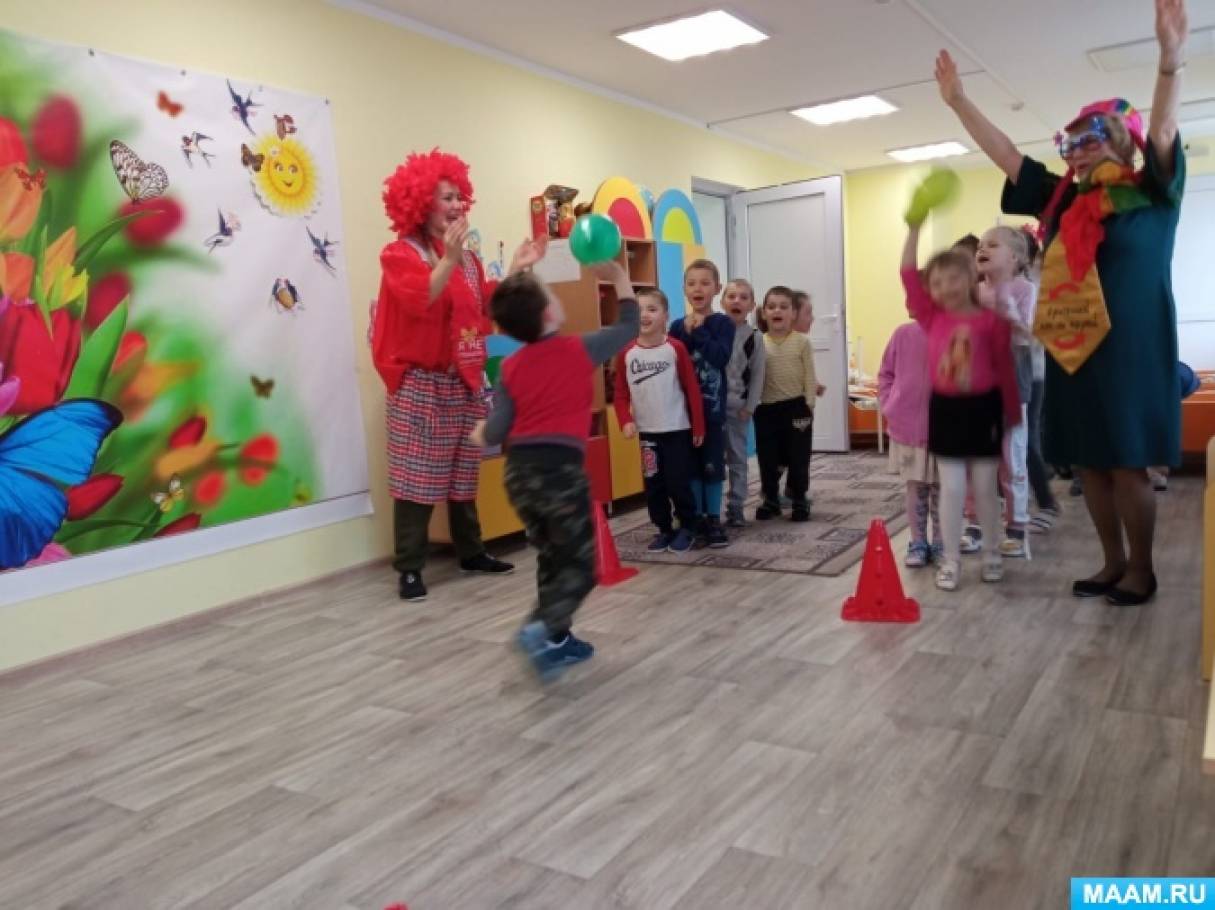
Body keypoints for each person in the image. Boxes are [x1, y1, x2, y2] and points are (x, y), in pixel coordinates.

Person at [935, 0, 1188, 605]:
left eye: (1089, 137)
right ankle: (1111, 563)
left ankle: (1142, 569)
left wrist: (1170, 60)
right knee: (1090, 463)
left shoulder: (1152, 193)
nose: (1075, 149)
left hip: (1132, 348)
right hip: (1075, 349)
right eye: (1069, 141)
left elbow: (1161, 132)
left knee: (1127, 462)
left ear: (1121, 143)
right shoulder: (1061, 201)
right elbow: (1007, 155)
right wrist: (959, 102)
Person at [372, 149, 546, 602]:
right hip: (420, 382)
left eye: (458, 198)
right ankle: (410, 568)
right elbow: (420, 299)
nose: (456, 206)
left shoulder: (468, 261)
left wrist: (516, 270)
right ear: (419, 204)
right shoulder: (400, 254)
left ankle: (471, 552)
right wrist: (448, 258)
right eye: (446, 198)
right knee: (416, 477)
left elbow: (487, 304)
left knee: (462, 473)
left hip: (463, 377)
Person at [473, 260, 638, 681]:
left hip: (519, 477)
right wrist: (620, 279)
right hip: (559, 475)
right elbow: (628, 328)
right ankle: (541, 629)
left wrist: (480, 433)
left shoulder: (511, 367)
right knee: (581, 566)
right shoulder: (578, 349)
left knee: (551, 557)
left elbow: (496, 430)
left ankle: (557, 641)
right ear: (549, 313)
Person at [902, 220, 1020, 591]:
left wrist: (1013, 414)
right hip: (946, 410)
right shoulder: (932, 316)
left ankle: (991, 554)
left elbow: (1004, 369)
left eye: (952, 279)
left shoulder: (992, 321)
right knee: (952, 489)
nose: (945, 288)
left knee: (985, 489)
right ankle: (951, 559)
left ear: (971, 278)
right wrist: (913, 230)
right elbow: (907, 275)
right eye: (936, 283)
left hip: (984, 409)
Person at [613, 288, 704, 553]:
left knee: (678, 482)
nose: (644, 315)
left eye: (652, 309)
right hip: (648, 433)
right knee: (654, 485)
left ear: (666, 316)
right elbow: (620, 393)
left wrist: (698, 426)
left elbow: (691, 389)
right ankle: (664, 528)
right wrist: (624, 420)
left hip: (676, 429)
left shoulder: (674, 348)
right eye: (638, 310)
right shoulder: (627, 353)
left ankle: (688, 526)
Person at [976, 226, 1037, 558]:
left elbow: (1026, 337)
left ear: (1014, 257)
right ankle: (974, 523)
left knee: (1012, 460)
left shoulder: (1025, 289)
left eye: (992, 245)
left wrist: (1004, 304)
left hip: (1011, 389)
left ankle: (1017, 525)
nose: (982, 249)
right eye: (980, 245)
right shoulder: (973, 291)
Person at [670, 259, 735, 547]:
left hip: (712, 412)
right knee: (691, 468)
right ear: (684, 289)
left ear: (717, 288)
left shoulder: (723, 323)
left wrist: (699, 331)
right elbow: (671, 362)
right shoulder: (676, 326)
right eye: (692, 283)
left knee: (712, 467)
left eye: (705, 283)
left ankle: (713, 519)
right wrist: (685, 330)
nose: (698, 289)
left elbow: (720, 357)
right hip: (682, 414)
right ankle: (694, 518)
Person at [878, 308, 941, 567]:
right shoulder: (902, 334)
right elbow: (886, 373)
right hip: (908, 428)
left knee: (942, 488)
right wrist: (889, 404)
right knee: (915, 486)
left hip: (945, 429)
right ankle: (918, 542)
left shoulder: (955, 333)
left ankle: (941, 542)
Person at [754, 286, 816, 522]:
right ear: (764, 313)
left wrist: (810, 403)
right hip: (767, 409)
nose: (777, 311)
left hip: (797, 407)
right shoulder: (758, 342)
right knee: (768, 458)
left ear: (793, 313)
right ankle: (771, 500)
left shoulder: (802, 342)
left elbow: (809, 374)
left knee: (799, 456)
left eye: (783, 307)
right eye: (771, 307)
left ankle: (799, 499)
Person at [722, 279, 765, 528]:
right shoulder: (714, 330)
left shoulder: (754, 338)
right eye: (731, 296)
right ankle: (709, 509)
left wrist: (750, 406)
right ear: (722, 302)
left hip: (738, 407)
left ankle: (736, 505)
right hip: (712, 408)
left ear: (751, 305)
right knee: (711, 460)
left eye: (743, 297)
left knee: (737, 458)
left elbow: (758, 374)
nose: (736, 301)